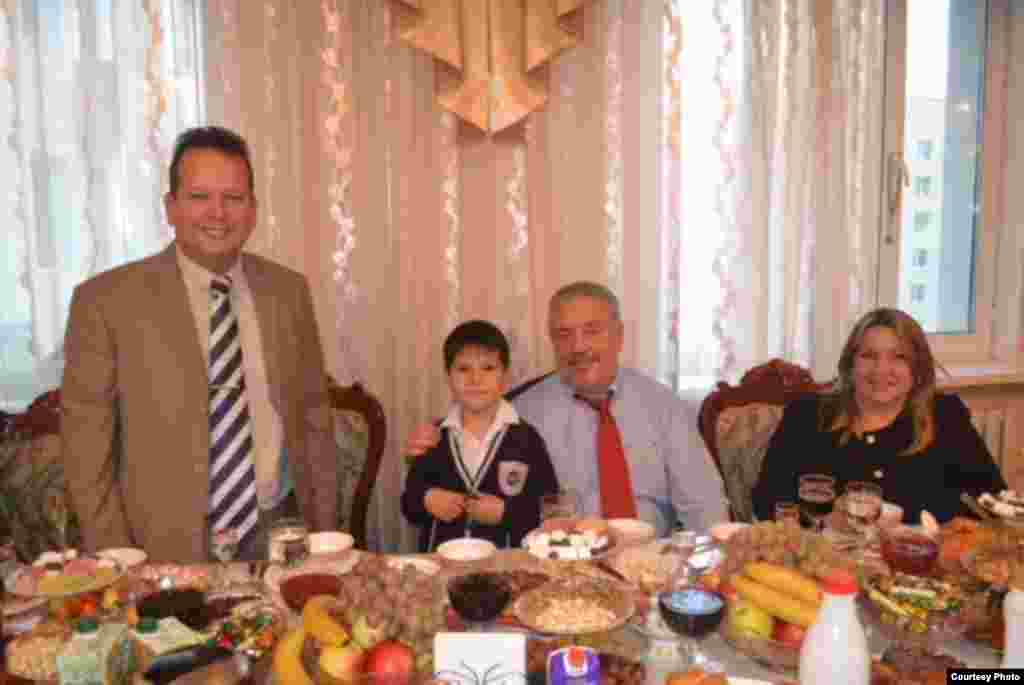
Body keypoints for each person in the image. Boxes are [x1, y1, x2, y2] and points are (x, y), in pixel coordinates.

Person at [61, 126, 337, 562]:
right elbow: (86, 455)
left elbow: (314, 420)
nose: (218, 213)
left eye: (233, 198)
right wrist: (118, 559)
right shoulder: (105, 302)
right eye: (199, 197)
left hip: (279, 531)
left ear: (252, 209)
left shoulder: (289, 292)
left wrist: (324, 535)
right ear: (171, 207)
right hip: (159, 546)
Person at [407, 282, 730, 537]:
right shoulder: (522, 412)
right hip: (559, 566)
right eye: (564, 334)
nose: (578, 347)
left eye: (592, 331)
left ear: (619, 336)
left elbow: (705, 507)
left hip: (649, 561)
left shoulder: (664, 406)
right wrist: (430, 439)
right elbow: (470, 427)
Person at [751, 307, 1007, 524]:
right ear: (850, 364)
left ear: (917, 368)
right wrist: (825, 519)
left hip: (924, 561)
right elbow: (766, 501)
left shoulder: (946, 417)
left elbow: (992, 501)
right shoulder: (806, 415)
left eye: (899, 357)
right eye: (868, 356)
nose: (881, 370)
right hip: (826, 560)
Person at [401, 320, 559, 552]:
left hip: (507, 567)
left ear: (505, 377)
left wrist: (506, 513)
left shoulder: (527, 439)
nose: (475, 379)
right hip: (444, 565)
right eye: (463, 369)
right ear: (448, 377)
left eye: (488, 368)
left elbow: (549, 512)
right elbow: (409, 507)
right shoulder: (433, 438)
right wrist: (427, 499)